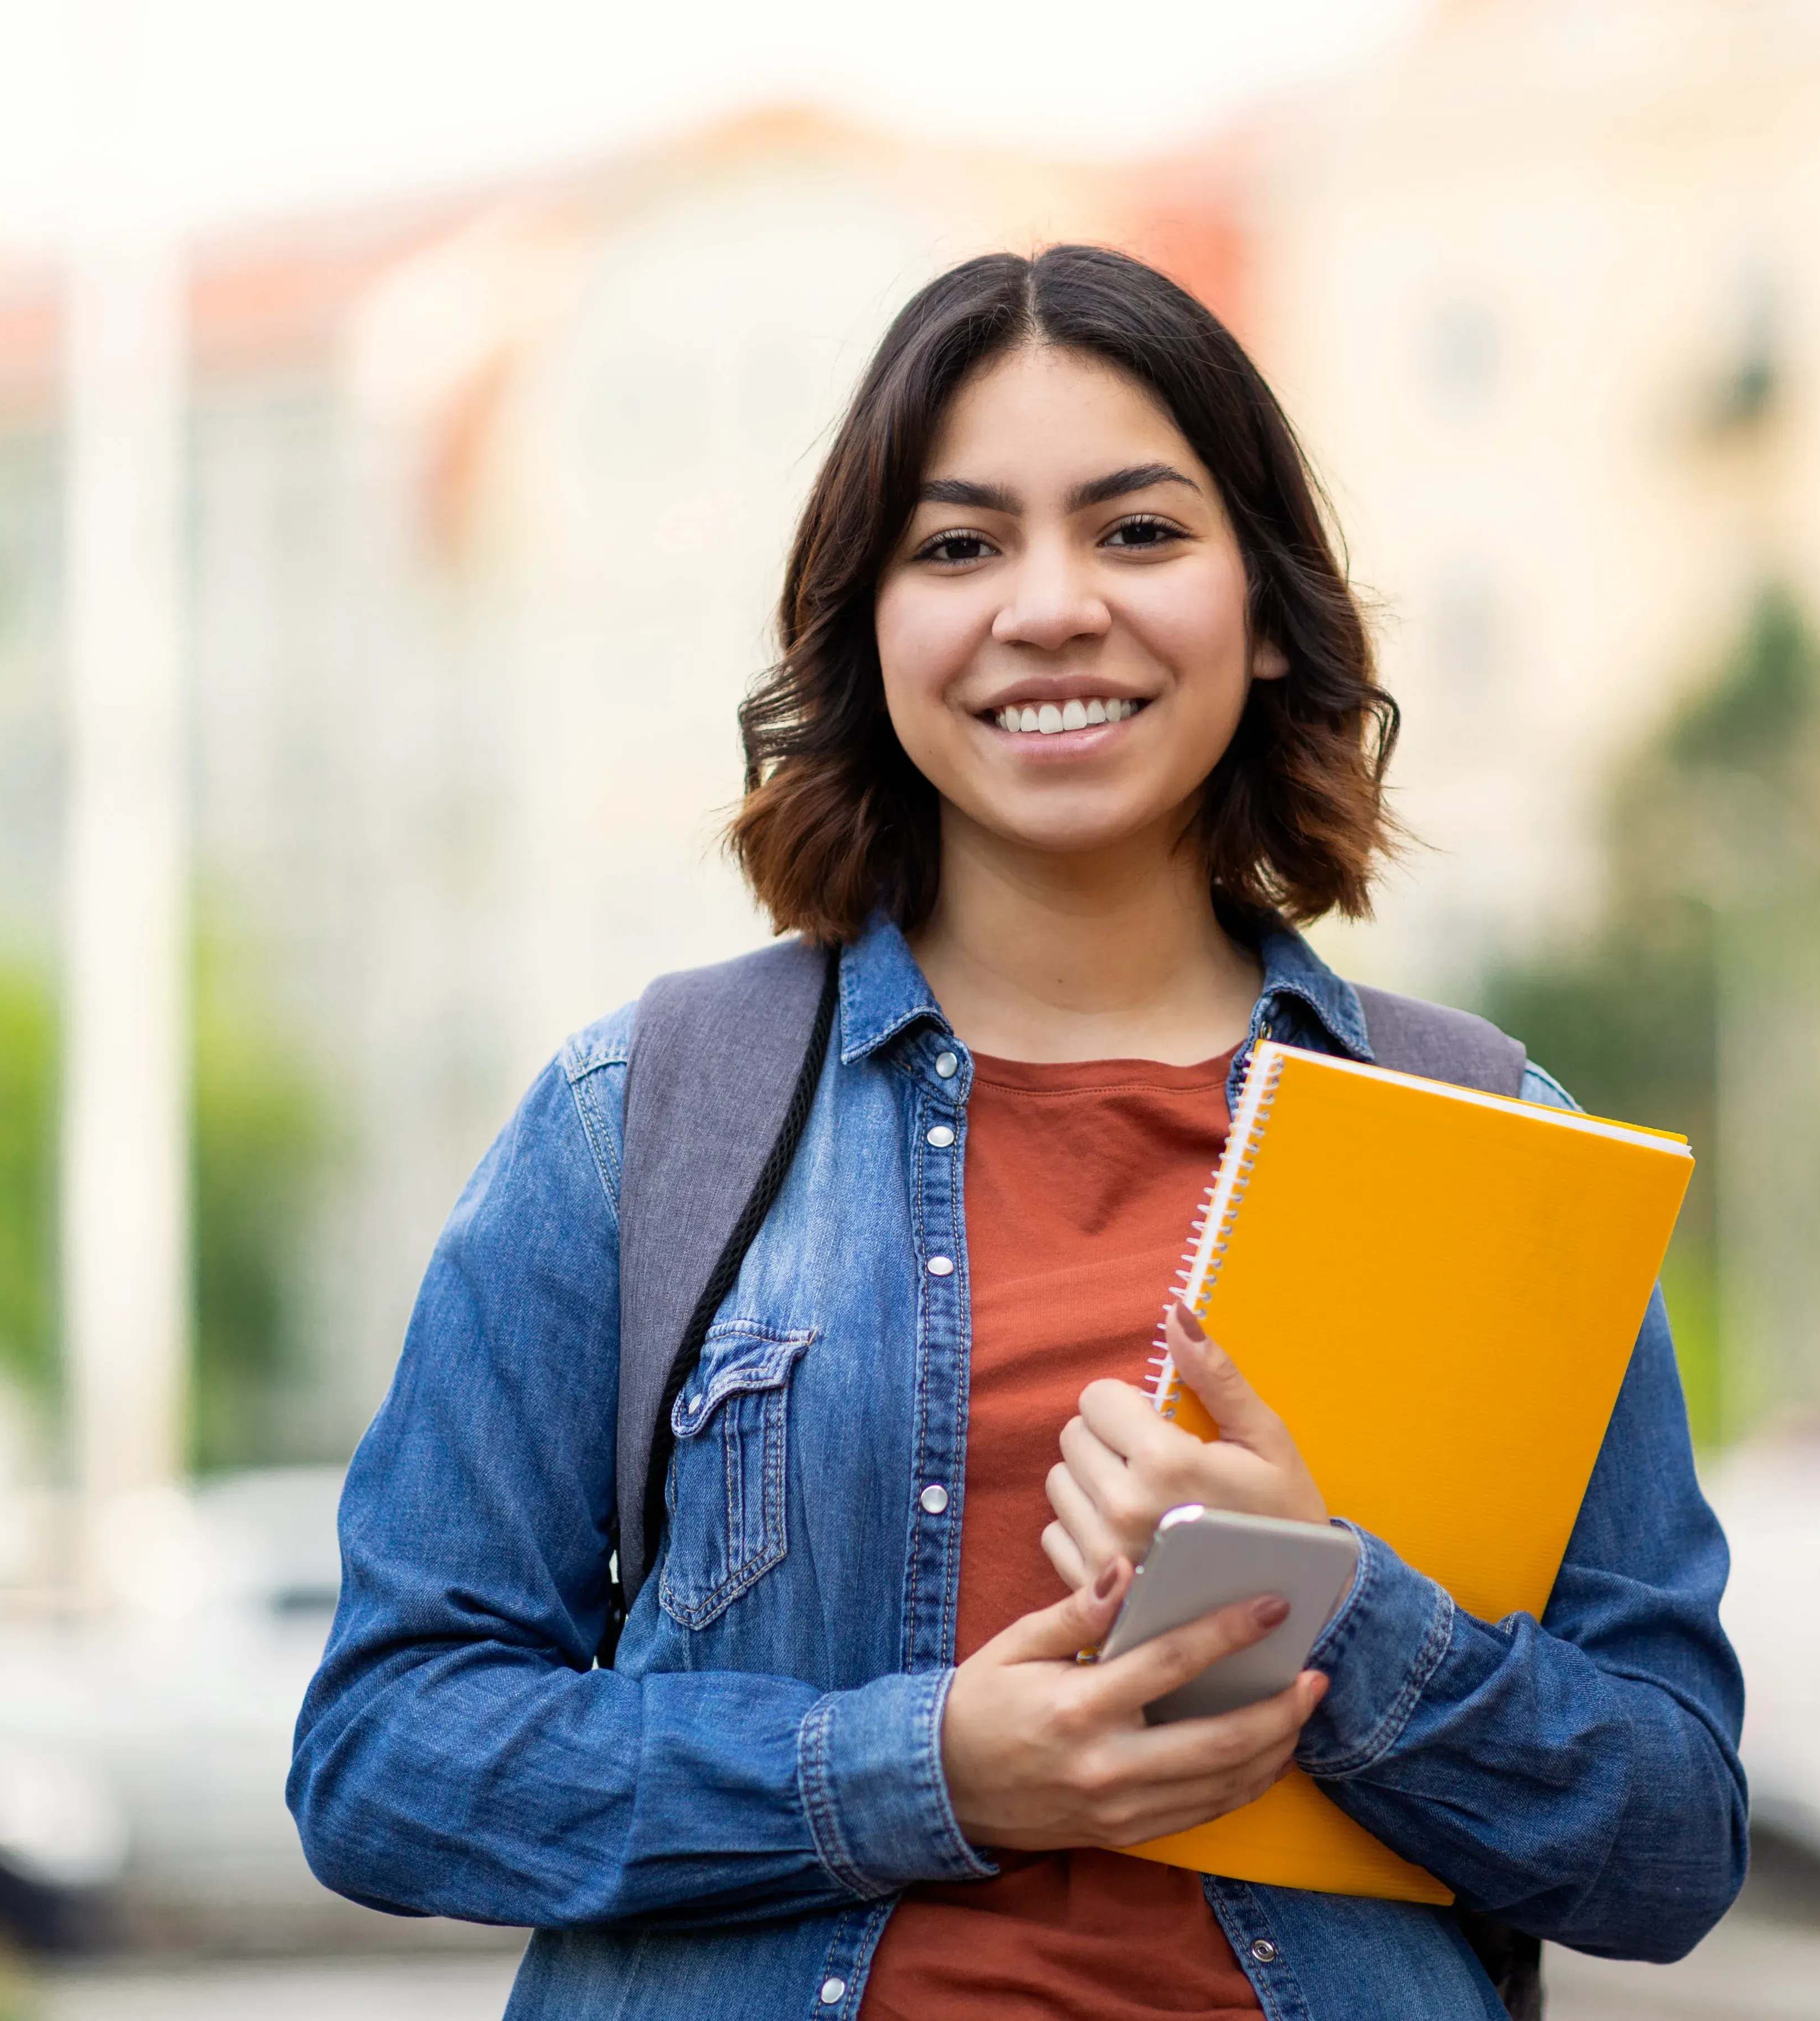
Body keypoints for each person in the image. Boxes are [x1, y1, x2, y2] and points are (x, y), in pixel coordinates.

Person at [289, 244, 1745, 2020]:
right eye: (959, 546)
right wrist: (926, 1774)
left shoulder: (1487, 1144)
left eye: (1137, 531)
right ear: (867, 626)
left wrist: (1332, 1609)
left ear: (1266, 609)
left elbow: (1671, 1843)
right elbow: (385, 1754)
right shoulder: (639, 1119)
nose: (1050, 607)